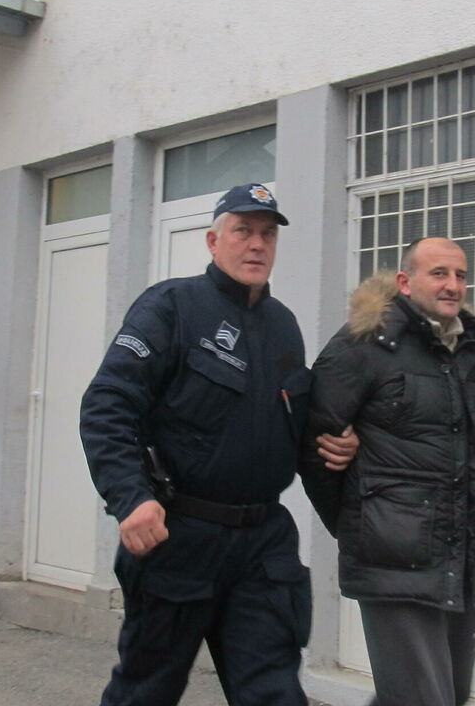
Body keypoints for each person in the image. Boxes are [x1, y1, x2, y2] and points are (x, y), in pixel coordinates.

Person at [81, 183, 357, 706]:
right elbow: (107, 404)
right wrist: (130, 497)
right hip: (179, 538)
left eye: (267, 234)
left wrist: (337, 441)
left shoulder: (284, 327)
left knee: (275, 694)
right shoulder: (172, 306)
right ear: (213, 241)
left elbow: (294, 424)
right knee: (146, 692)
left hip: (262, 545)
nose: (256, 244)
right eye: (243, 231)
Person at [302, 236, 475, 706]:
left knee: (448, 694)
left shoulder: (471, 351)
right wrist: (364, 524)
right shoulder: (366, 341)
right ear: (406, 282)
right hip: (394, 558)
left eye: (460, 275)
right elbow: (314, 442)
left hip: (458, 558)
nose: (452, 285)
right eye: (439, 273)